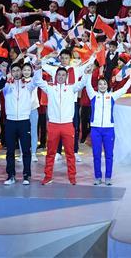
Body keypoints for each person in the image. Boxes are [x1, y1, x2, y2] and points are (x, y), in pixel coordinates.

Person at [42, 57, 92, 185]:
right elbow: (38, 81)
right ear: (56, 75)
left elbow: (82, 84)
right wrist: (38, 68)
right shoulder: (50, 88)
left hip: (67, 125)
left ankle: (72, 177)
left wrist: (86, 73)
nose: (61, 77)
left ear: (66, 77)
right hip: (53, 125)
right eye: (59, 74)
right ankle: (48, 176)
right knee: (50, 153)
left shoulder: (71, 88)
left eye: (63, 75)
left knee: (70, 153)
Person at [84, 68, 131, 185]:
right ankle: (98, 177)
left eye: (104, 84)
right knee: (96, 154)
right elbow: (87, 84)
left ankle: (108, 177)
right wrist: (87, 74)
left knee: (109, 155)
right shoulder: (93, 95)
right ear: (97, 86)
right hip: (96, 129)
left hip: (109, 130)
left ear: (107, 85)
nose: (102, 86)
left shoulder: (112, 96)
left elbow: (124, 90)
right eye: (100, 84)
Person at [0, 60, 45, 186]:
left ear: (22, 72)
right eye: (13, 71)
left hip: (24, 121)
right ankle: (11, 175)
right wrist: (3, 72)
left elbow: (37, 80)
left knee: (26, 150)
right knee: (10, 151)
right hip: (10, 121)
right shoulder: (7, 86)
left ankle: (26, 175)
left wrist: (38, 68)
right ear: (11, 73)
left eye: (18, 70)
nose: (16, 73)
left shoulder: (28, 85)